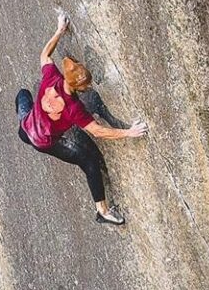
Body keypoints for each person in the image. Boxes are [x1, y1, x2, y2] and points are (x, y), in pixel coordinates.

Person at [17, 12, 149, 225]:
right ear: (79, 87)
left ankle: (25, 121)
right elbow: (97, 131)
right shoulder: (74, 109)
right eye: (86, 85)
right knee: (88, 161)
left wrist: (59, 30)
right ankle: (103, 212)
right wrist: (129, 132)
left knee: (23, 95)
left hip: (26, 127)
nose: (89, 87)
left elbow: (44, 56)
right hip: (43, 141)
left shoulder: (52, 77)